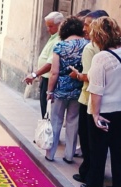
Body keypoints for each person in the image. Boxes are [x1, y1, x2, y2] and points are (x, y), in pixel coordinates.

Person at [80, 17, 121, 187]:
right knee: (118, 150)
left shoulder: (101, 58)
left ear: (97, 35)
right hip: (120, 109)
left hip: (103, 110)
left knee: (98, 150)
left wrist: (95, 115)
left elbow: (96, 88)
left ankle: (94, 185)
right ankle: (118, 185)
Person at [70, 10, 109, 184]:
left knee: (88, 141)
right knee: (101, 143)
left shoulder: (90, 48)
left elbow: (88, 76)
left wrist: (77, 75)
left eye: (87, 24)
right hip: (109, 99)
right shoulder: (113, 46)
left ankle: (89, 174)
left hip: (89, 99)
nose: (83, 28)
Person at [45, 16, 88, 163]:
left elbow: (54, 72)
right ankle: (69, 155)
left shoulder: (60, 46)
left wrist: (49, 91)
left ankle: (50, 153)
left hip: (61, 88)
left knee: (55, 121)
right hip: (78, 87)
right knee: (73, 121)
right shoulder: (86, 44)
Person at [24, 12, 64, 118]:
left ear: (59, 24)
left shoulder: (58, 40)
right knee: (45, 109)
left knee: (48, 112)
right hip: (45, 78)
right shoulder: (54, 37)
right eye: (47, 26)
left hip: (50, 80)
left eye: (50, 26)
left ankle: (48, 133)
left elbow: (51, 64)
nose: (48, 29)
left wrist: (34, 75)